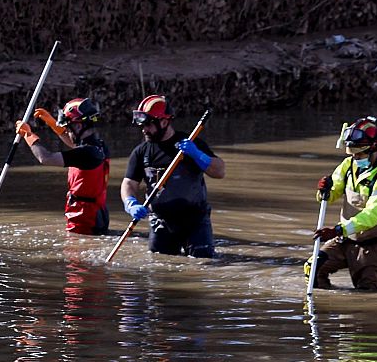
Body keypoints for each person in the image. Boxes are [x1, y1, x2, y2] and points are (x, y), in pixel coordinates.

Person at [119, 94, 227, 258]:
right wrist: (130, 203)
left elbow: (220, 171)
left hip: (195, 220)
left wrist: (198, 155)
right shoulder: (141, 152)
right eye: (142, 125)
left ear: (164, 122)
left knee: (203, 263)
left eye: (148, 125)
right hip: (161, 222)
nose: (144, 129)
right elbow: (129, 184)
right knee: (159, 266)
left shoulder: (191, 144)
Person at [311, 116, 377, 292]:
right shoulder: (348, 164)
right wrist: (324, 190)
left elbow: (372, 215)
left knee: (366, 293)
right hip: (345, 241)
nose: (355, 157)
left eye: (360, 153)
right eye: (352, 153)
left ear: (374, 148)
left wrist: (337, 230)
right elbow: (331, 194)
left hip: (374, 247)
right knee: (313, 269)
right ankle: (325, 310)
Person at [16, 97, 110, 234]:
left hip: (84, 217)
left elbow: (46, 158)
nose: (67, 132)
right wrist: (52, 123)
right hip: (96, 215)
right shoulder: (98, 147)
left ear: (78, 126)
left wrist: (28, 135)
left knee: (74, 252)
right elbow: (73, 143)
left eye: (68, 128)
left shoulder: (86, 153)